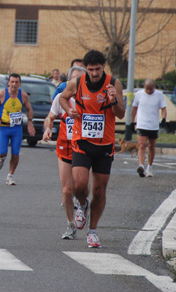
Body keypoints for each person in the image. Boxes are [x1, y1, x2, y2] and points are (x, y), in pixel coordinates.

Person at [59, 50, 125, 248]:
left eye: (97, 69)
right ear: (85, 69)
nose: (94, 73)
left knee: (99, 189)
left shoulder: (114, 83)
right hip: (82, 141)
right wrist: (68, 109)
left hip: (105, 144)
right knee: (79, 186)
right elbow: (63, 98)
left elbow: (120, 114)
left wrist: (114, 100)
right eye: (90, 70)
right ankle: (82, 204)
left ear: (103, 67)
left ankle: (93, 231)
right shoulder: (77, 83)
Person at [43, 65, 87, 240]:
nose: (76, 85)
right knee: (67, 190)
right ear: (68, 81)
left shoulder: (88, 100)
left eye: (80, 81)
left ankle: (83, 204)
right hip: (65, 147)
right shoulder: (61, 99)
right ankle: (70, 225)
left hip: (84, 148)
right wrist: (47, 129)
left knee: (81, 187)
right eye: (73, 81)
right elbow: (50, 117)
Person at [0, 73, 35, 185]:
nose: (14, 84)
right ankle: (0, 158)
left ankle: (10, 176)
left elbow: (30, 109)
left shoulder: (23, 96)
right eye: (12, 82)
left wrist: (30, 123)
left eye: (16, 82)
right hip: (3, 127)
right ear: (8, 83)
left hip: (16, 128)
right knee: (2, 152)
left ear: (20, 83)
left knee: (15, 153)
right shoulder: (1, 94)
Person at [131, 79, 167, 178]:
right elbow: (134, 108)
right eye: (147, 89)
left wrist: (164, 118)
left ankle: (149, 168)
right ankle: (141, 166)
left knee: (151, 147)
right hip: (142, 124)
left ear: (154, 87)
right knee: (141, 145)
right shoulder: (139, 94)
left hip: (153, 125)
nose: (149, 91)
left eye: (151, 89)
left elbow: (164, 108)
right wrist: (132, 121)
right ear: (144, 87)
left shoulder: (159, 95)